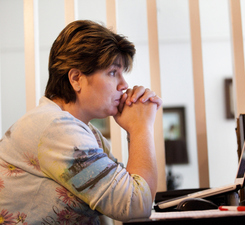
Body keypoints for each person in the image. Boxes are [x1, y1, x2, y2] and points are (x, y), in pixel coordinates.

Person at [0, 20, 162, 224]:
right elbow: (136, 205)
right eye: (113, 72)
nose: (124, 85)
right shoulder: (56, 127)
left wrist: (136, 129)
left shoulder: (85, 131)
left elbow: (128, 191)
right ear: (76, 78)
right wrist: (141, 129)